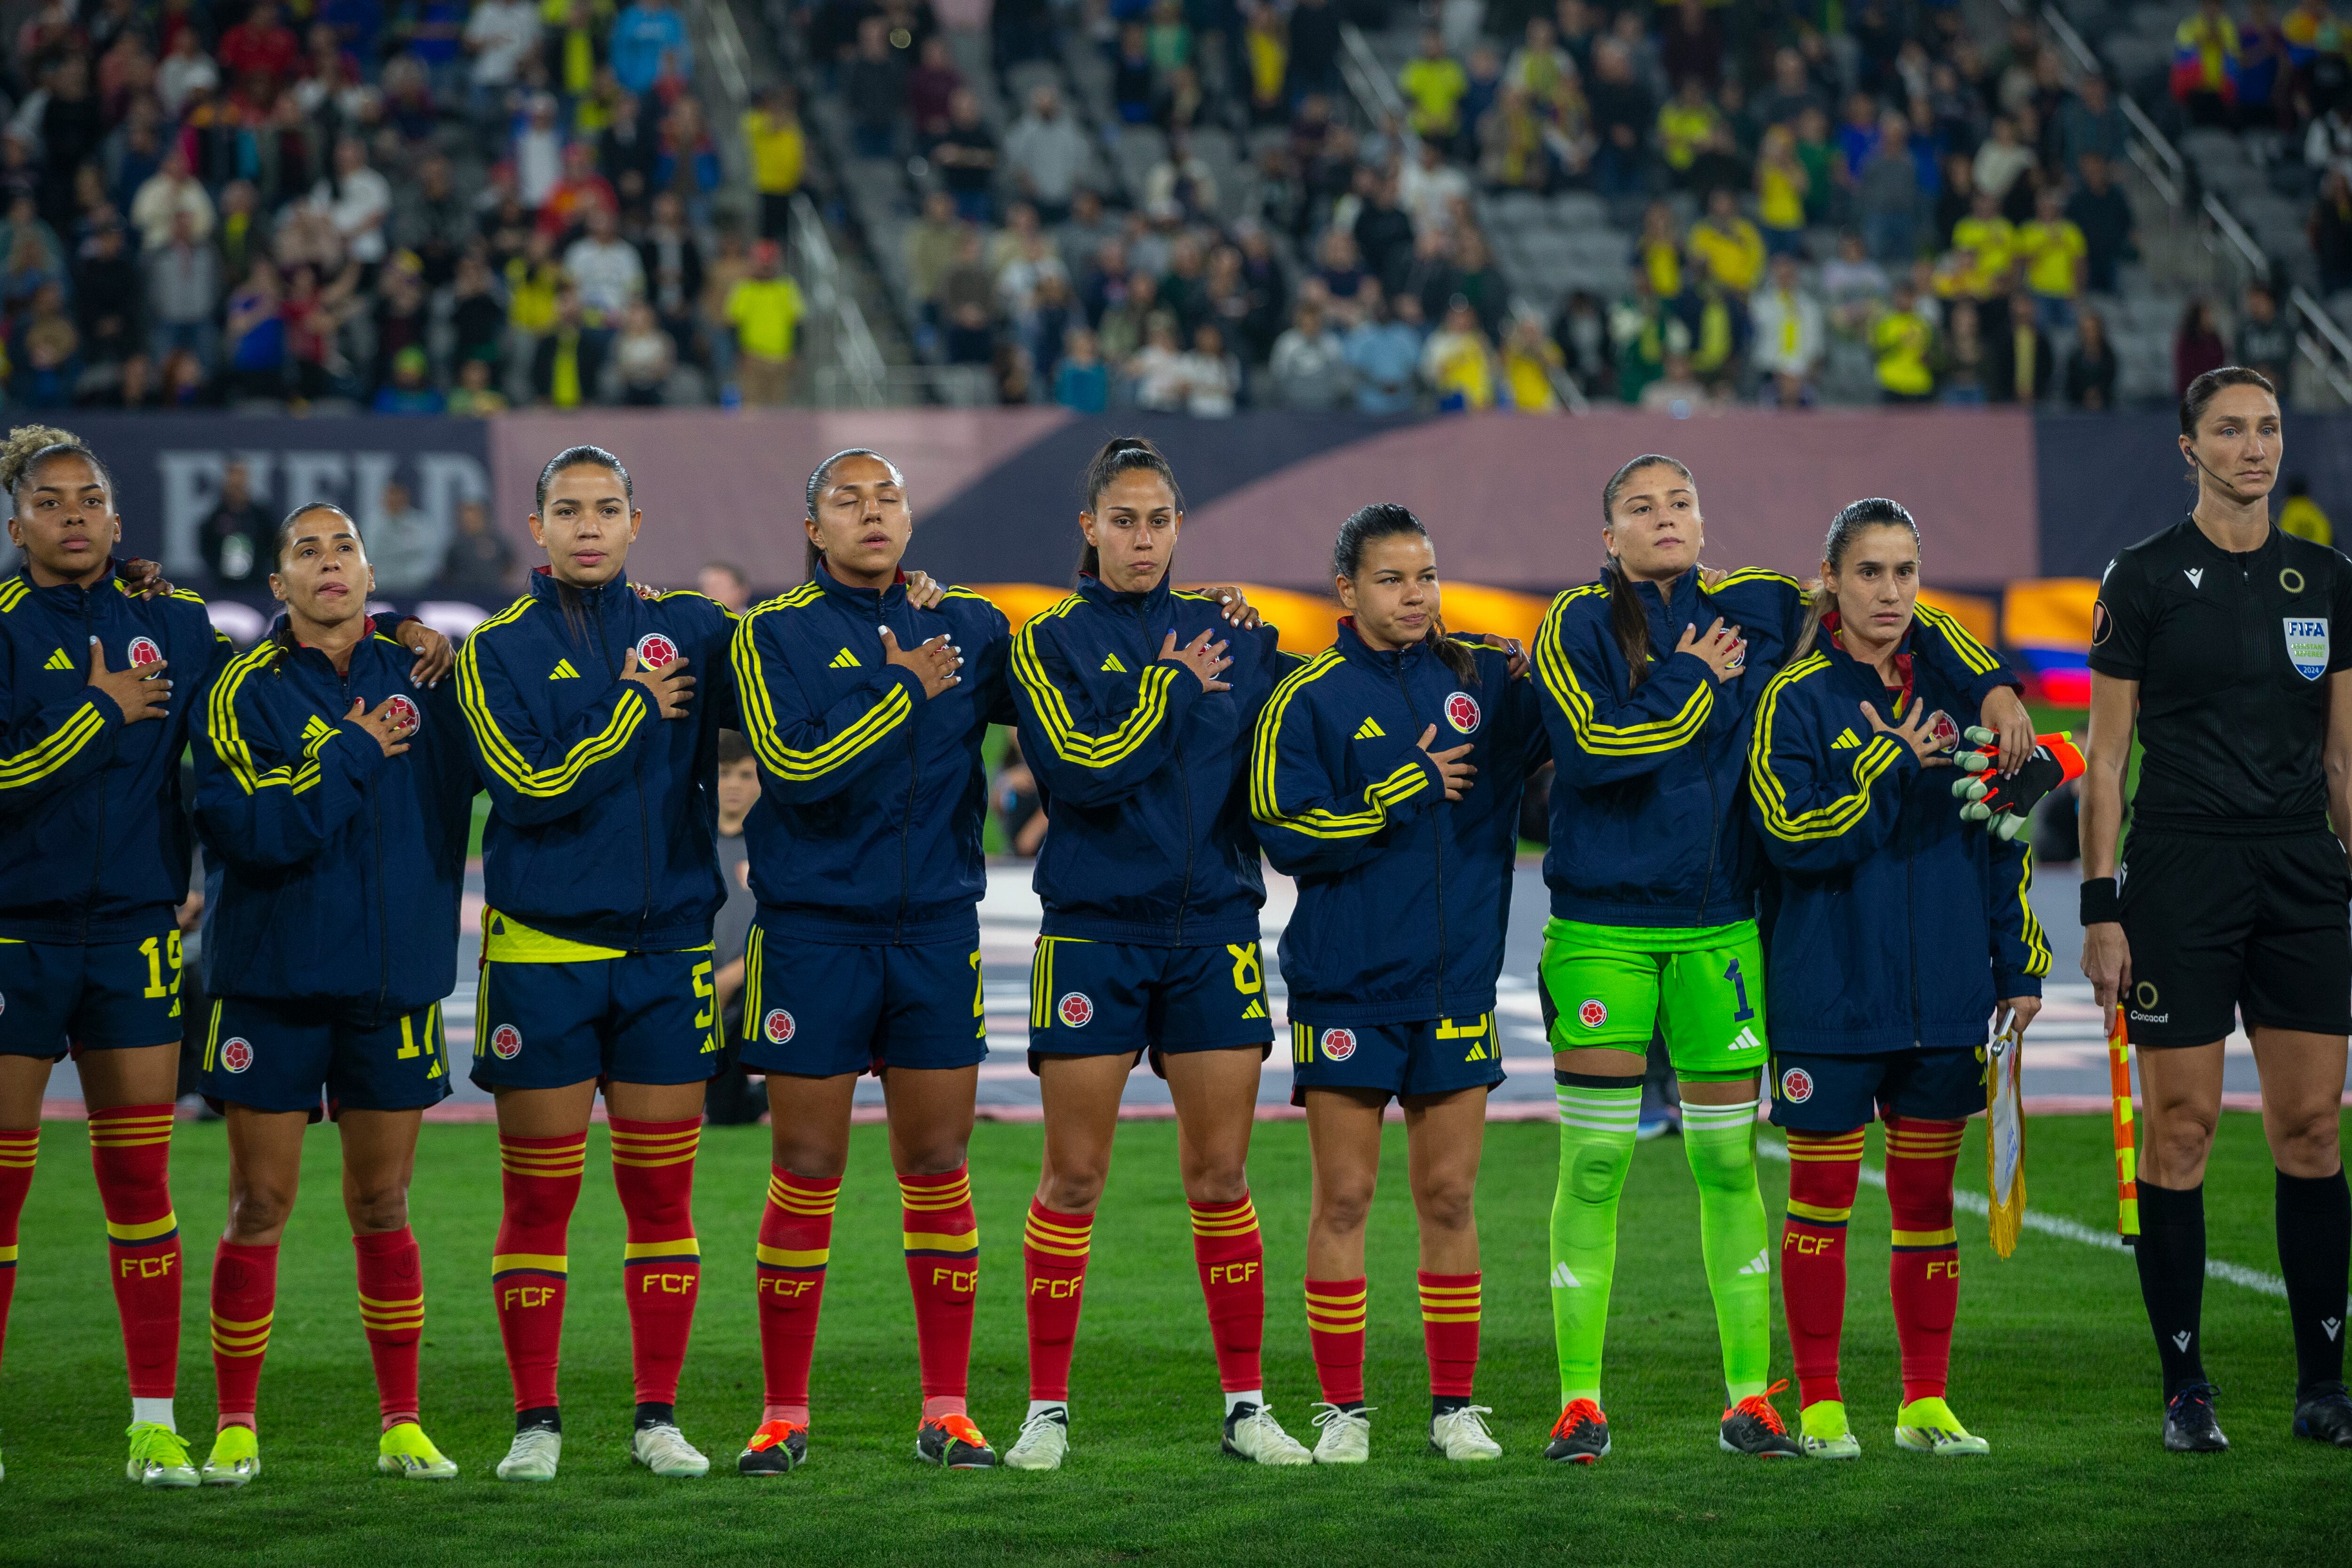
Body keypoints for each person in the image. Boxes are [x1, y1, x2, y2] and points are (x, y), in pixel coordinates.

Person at [1528, 454, 2031, 1465]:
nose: (1663, 518)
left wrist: (1997, 681)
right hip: (1603, 926)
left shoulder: (1760, 603)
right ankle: (1579, 1401)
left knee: (1725, 1159)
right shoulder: (1574, 624)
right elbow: (1590, 752)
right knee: (1594, 1160)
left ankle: (1751, 1401)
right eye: (1640, 506)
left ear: (1704, 519)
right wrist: (1693, 676)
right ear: (1607, 533)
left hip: (1723, 930)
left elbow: (1891, 614)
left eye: (1679, 501)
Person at [1002, 436, 1311, 1470]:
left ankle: (1246, 1405)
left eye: (1160, 519)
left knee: (1222, 1176)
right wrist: (1170, 687)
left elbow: (1308, 728)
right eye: (1124, 520)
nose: (1143, 537)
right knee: (1074, 1176)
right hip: (1094, 931)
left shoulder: (1239, 631)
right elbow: (1080, 773)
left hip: (1214, 929)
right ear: (1089, 528)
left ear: (1180, 527)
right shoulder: (1049, 639)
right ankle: (1046, 1409)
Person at [453, 445, 741, 1483]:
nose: (586, 525)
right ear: (535, 527)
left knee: (663, 1201)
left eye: (605, 508)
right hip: (544, 955)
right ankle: (535, 1421)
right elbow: (526, 789)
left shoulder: (697, 631)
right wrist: (628, 712)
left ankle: (656, 1416)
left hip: (667, 954)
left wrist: (912, 591)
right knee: (539, 1202)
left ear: (634, 522)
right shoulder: (493, 648)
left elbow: (799, 652)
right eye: (566, 509)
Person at [727, 449, 1016, 1473]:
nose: (872, 512)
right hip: (812, 933)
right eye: (847, 500)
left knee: (939, 1169)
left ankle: (949, 1409)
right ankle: (781, 1412)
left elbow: (1070, 687)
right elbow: (795, 769)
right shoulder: (770, 634)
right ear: (813, 528)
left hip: (936, 930)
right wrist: (899, 689)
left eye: (887, 496)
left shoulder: (971, 626)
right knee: (805, 1168)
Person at [2081, 367, 2352, 1452]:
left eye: (2269, 427)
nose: (2255, 446)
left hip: (2298, 875)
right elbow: (2105, 761)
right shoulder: (2142, 577)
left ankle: (2321, 1382)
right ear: (2187, 447)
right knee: (2181, 1128)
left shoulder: (2326, 577)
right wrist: (2103, 908)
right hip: (2181, 870)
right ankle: (2185, 1384)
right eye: (2230, 429)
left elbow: (2342, 757)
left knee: (2312, 1128)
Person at [1749, 497, 2046, 1461]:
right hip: (1828, 994)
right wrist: (1886, 762)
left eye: (1905, 572)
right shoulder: (1792, 699)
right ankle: (1824, 1405)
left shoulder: (1965, 694)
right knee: (1820, 1204)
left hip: (1947, 996)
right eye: (1869, 572)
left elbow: (2005, 848)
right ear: (1830, 580)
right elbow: (1788, 841)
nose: (1889, 591)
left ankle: (1925, 1402)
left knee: (1926, 1208)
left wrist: (2017, 968)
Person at [189, 503, 480, 1486]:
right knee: (259, 1201)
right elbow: (260, 832)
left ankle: (402, 1422)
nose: (328, 563)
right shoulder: (240, 690)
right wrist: (352, 747)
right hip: (269, 982)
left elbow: (509, 772)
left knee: (383, 1200)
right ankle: (235, 1424)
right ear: (277, 584)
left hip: (391, 984)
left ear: (367, 571)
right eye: (306, 550)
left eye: (344, 547)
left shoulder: (430, 674)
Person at [1252, 504, 1548, 1463]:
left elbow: (1581, 713)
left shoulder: (1481, 681)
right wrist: (1393, 793)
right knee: (1343, 1198)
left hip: (1456, 984)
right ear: (1346, 590)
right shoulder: (1311, 696)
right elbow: (1283, 830)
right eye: (1391, 578)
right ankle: (1343, 1409)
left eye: (1425, 575)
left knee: (1451, 1197)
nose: (1414, 595)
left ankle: (1454, 1405)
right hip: (1344, 985)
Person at [0, 425, 227, 1487]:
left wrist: (407, 627)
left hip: (135, 933)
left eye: (89, 497)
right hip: (15, 931)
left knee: (140, 1181)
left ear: (120, 518)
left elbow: (286, 649)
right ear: (19, 525)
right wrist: (99, 710)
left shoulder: (171, 622)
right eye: (51, 501)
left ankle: (153, 1421)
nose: (74, 514)